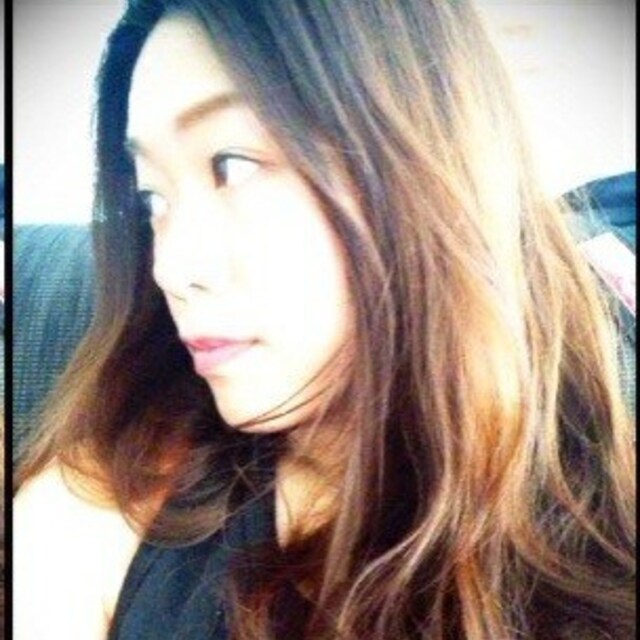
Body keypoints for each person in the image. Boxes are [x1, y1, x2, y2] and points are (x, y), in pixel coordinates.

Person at [14, 1, 635, 639]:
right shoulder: (100, 510)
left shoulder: (603, 520)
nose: (171, 268)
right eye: (152, 197)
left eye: (231, 165)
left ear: (421, 166)